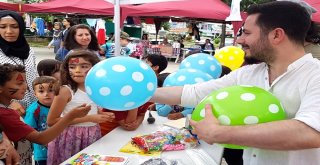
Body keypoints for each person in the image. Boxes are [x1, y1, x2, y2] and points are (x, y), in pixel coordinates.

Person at [150, 1, 320, 164]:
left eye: (246, 33)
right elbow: (193, 93)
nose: (239, 40)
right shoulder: (248, 73)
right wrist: (146, 94)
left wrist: (219, 133)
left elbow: (311, 131)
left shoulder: (315, 75)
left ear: (276, 35)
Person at [0, 63, 91, 165]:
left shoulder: (8, 110)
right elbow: (41, 139)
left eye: (25, 82)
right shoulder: (6, 114)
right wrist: (70, 117)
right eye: (19, 83)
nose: (25, 86)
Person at [47, 50, 115, 165]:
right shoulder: (65, 91)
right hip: (70, 138)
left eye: (84, 66)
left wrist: (102, 115)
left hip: (92, 135)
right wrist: (90, 118)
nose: (77, 71)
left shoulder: (94, 90)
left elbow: (93, 109)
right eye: (72, 67)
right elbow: (52, 121)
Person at [0, 10, 38, 110]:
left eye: (14, 26)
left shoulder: (29, 51)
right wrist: (10, 102)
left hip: (35, 106)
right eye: (3, 27)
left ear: (21, 27)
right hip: (9, 108)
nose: (9, 31)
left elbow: (34, 75)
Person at [24, 76, 58, 165]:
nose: (46, 94)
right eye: (41, 91)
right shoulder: (33, 110)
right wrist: (43, 141)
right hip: (42, 152)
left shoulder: (60, 106)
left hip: (60, 147)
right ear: (35, 93)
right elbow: (28, 130)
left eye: (51, 90)